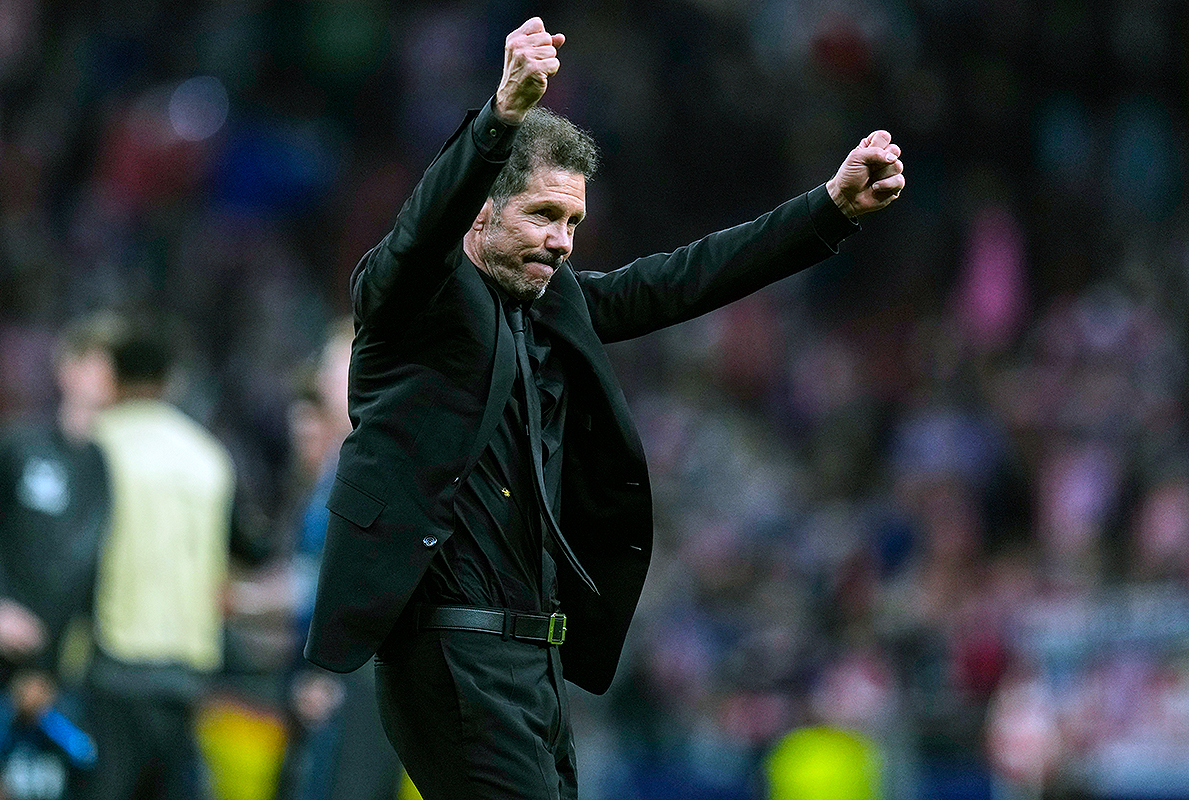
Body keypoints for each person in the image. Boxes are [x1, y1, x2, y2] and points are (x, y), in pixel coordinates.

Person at [305, 16, 904, 799]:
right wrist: (500, 117)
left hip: (533, 663)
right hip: (452, 654)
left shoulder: (552, 309)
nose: (562, 241)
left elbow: (685, 277)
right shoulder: (411, 302)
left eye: (573, 222)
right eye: (542, 215)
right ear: (480, 212)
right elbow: (421, 232)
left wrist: (830, 208)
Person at [84, 319, 268, 800]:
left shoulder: (95, 446)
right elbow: (247, 548)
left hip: (112, 665)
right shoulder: (208, 456)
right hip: (186, 672)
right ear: (172, 381)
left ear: (112, 378)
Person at [0, 313, 120, 799]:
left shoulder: (112, 466)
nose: (110, 379)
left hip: (59, 678)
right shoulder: (18, 444)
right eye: (102, 363)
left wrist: (55, 669)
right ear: (68, 367)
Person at [277, 318, 402, 800]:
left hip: (357, 680)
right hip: (335, 674)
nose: (326, 375)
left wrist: (331, 670)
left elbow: (364, 575)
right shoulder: (343, 459)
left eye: (336, 362)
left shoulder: (377, 459)